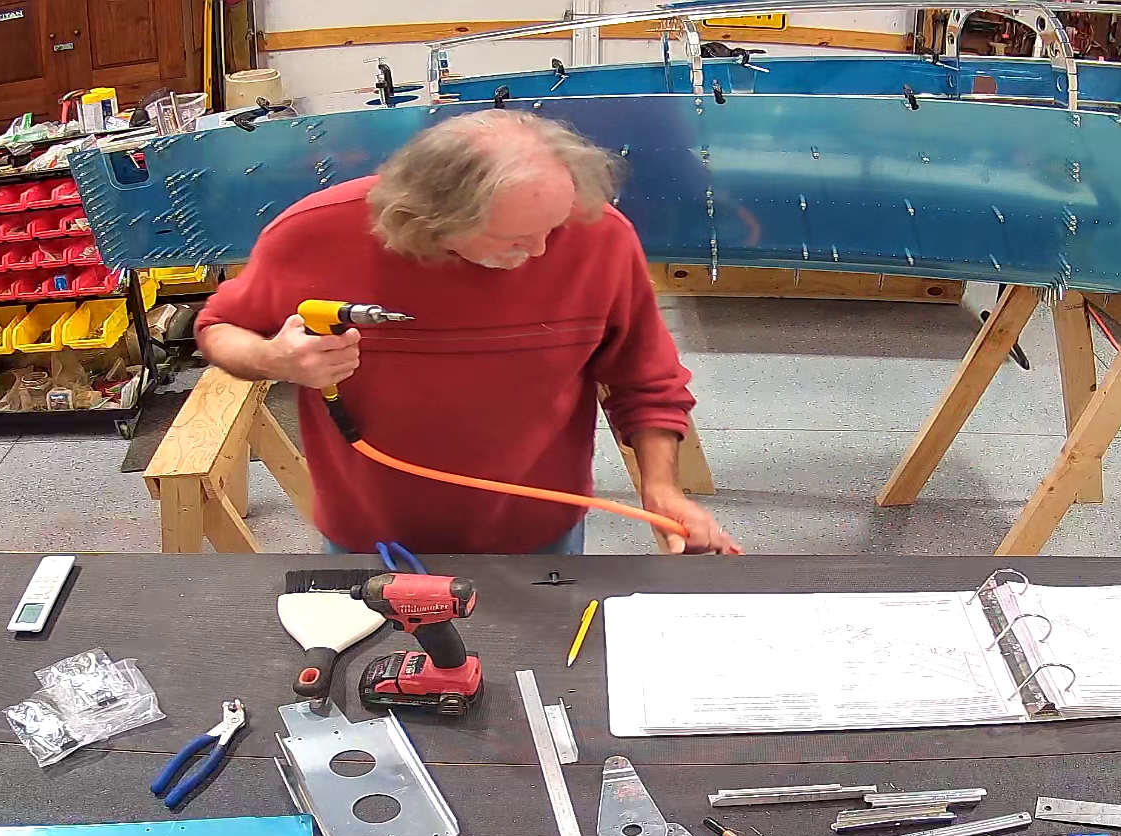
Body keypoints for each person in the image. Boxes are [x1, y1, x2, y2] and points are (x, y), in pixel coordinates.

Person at [195, 109, 740, 556]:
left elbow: (646, 381)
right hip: (369, 537)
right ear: (431, 220)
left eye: (552, 228)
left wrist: (661, 488)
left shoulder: (597, 237)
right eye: (514, 239)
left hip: (539, 534)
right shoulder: (312, 235)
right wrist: (277, 359)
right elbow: (218, 327)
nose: (542, 252)